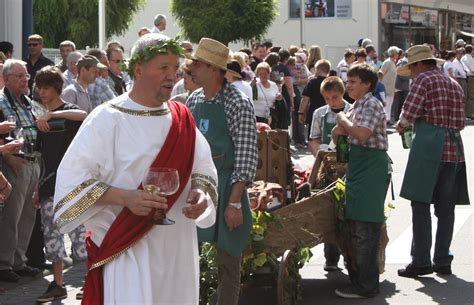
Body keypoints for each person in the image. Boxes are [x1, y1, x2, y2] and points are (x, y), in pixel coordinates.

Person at [53, 33, 217, 304]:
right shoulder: (107, 118)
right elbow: (72, 183)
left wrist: (201, 193)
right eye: (163, 67)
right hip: (128, 246)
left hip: (176, 247)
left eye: (175, 68)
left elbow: (202, 167)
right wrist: (124, 197)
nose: (172, 75)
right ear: (138, 69)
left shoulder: (181, 118)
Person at [187, 37, 258, 305]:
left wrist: (234, 203)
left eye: (199, 64)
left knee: (228, 262)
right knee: (188, 257)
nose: (192, 69)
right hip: (198, 188)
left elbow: (247, 156)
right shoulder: (193, 99)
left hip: (228, 186)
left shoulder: (236, 101)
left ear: (215, 69)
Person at [395, 45, 470, 278]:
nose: (412, 73)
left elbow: (408, 114)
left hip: (429, 146)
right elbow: (460, 122)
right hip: (454, 148)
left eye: (412, 67)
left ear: (418, 64)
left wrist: (400, 126)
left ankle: (421, 261)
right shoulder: (453, 82)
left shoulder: (422, 80)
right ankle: (443, 259)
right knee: (446, 208)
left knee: (420, 204)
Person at [331, 63, 388, 298]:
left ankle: (366, 286)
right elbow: (341, 136)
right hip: (358, 168)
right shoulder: (357, 105)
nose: (349, 85)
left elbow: (361, 134)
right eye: (348, 80)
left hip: (372, 169)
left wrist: (342, 119)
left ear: (367, 84)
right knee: (357, 226)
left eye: (353, 81)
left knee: (365, 229)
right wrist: (341, 126)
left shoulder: (372, 103)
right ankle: (361, 281)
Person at [33, 66, 88, 303]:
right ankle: (58, 284)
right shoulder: (39, 117)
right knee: (52, 238)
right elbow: (40, 155)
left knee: (80, 237)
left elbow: (84, 116)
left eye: (46, 87)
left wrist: (52, 116)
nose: (42, 92)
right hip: (48, 185)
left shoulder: (68, 110)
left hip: (72, 185)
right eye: (39, 87)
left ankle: (91, 282)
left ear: (56, 88)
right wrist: (36, 187)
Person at [0, 59, 42, 282]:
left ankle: (19, 261)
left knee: (28, 215)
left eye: (26, 75)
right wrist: (7, 156)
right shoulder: (0, 101)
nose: (26, 79)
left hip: (33, 161)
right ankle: (4, 264)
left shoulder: (27, 100)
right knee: (11, 216)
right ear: (6, 79)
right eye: (20, 76)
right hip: (14, 163)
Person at [308, 76, 351, 156]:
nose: (331, 101)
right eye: (327, 98)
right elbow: (315, 137)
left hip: (348, 155)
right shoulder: (318, 113)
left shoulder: (352, 111)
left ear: (342, 92)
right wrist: (321, 151)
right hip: (327, 156)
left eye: (335, 97)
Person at [299, 59, 331, 140]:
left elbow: (305, 99)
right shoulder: (332, 82)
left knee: (313, 138)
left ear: (319, 70)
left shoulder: (312, 82)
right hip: (329, 112)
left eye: (315, 69)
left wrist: (301, 113)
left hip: (314, 112)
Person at [380, 46, 400, 124]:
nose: (398, 55)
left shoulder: (393, 62)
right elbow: (381, 73)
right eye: (397, 53)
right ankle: (384, 119)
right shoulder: (387, 62)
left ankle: (387, 119)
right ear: (393, 54)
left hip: (391, 88)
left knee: (389, 104)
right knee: (386, 104)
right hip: (386, 88)